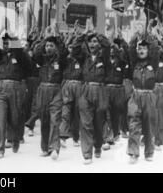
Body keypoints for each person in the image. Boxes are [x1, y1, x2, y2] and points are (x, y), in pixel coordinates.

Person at [73, 19, 111, 164]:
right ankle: (87, 154)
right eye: (91, 42)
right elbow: (75, 48)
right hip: (86, 90)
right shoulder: (83, 57)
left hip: (100, 90)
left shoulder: (104, 57)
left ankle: (98, 145)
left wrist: (96, 33)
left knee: (98, 122)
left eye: (95, 42)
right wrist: (83, 35)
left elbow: (107, 45)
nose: (93, 44)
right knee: (86, 123)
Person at [0, 31, 31, 159]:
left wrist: (14, 37)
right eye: (5, 43)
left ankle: (16, 139)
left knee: (15, 118)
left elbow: (20, 52)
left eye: (9, 43)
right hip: (1, 88)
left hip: (16, 88)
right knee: (0, 119)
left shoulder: (19, 55)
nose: (7, 45)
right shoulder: (0, 55)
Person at [126, 32, 161, 164]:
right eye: (139, 48)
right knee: (134, 123)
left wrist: (151, 36)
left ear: (148, 50)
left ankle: (149, 152)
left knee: (149, 125)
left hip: (149, 96)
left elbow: (156, 51)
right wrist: (135, 36)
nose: (141, 51)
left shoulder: (154, 63)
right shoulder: (135, 62)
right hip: (136, 95)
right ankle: (133, 153)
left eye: (144, 48)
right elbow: (130, 49)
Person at [32, 30, 65, 160]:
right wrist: (44, 39)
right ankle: (45, 148)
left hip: (56, 90)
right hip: (43, 90)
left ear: (55, 47)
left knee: (55, 120)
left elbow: (63, 51)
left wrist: (58, 38)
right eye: (47, 46)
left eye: (51, 45)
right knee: (44, 119)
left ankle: (54, 148)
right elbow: (35, 52)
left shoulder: (60, 59)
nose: (49, 48)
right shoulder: (42, 59)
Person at [59, 26, 85, 148]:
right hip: (67, 85)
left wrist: (79, 37)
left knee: (77, 113)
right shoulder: (64, 59)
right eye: (69, 47)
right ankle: (63, 136)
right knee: (66, 111)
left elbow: (80, 48)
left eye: (72, 48)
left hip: (79, 85)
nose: (71, 50)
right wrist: (68, 38)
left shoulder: (81, 58)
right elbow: (61, 51)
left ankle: (76, 137)